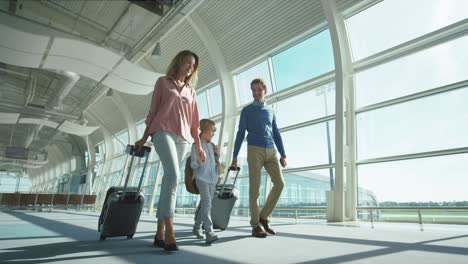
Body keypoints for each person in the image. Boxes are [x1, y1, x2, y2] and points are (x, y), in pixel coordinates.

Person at [135, 50, 205, 251]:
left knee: (169, 181)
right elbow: (153, 112)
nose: (190, 67)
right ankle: (170, 232)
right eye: (187, 63)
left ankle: (159, 232)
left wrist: (198, 147)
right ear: (179, 62)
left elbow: (195, 124)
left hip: (182, 138)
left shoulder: (192, 91)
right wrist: (144, 136)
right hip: (162, 131)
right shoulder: (163, 82)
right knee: (173, 176)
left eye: (193, 65)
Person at [230, 78, 287, 238]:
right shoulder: (247, 111)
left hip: (271, 150)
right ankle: (255, 225)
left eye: (259, 90)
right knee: (254, 189)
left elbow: (276, 133)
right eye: (253, 90)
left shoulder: (271, 111)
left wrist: (282, 154)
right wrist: (234, 156)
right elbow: (240, 134)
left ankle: (264, 216)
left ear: (265, 91)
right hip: (254, 149)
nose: (256, 93)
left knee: (280, 183)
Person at [191, 119, 219, 244]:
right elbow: (193, 164)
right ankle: (209, 231)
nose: (213, 134)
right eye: (212, 131)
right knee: (207, 203)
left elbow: (214, 164)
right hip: (201, 179)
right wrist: (199, 161)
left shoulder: (211, 146)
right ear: (204, 131)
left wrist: (217, 155)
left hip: (212, 180)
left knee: (205, 205)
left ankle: (196, 228)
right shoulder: (196, 146)